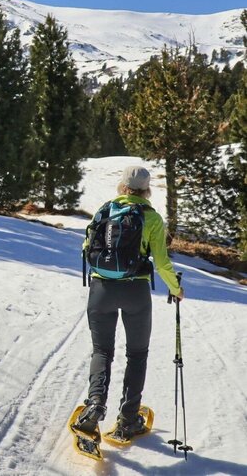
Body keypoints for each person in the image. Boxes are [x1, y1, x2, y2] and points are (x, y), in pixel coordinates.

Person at [74, 165, 183, 440]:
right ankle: (128, 419)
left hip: (101, 290)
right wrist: (176, 288)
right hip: (136, 292)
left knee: (102, 351)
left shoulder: (105, 209)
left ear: (122, 186)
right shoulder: (152, 218)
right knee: (137, 354)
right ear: (147, 191)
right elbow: (161, 262)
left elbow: (87, 247)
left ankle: (95, 406)